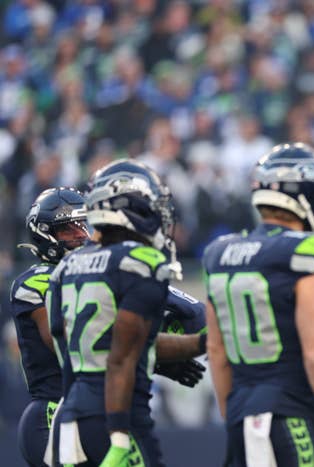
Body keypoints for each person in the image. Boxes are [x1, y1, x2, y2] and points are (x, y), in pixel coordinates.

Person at [204, 143, 314, 467]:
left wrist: (234, 417)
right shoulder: (305, 250)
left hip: (241, 411)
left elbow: (216, 351)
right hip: (292, 410)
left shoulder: (219, 252)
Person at [48, 159, 205, 466]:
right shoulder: (139, 262)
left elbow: (98, 341)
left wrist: (199, 345)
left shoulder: (66, 266)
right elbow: (120, 354)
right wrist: (119, 436)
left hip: (70, 413)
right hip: (117, 414)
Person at [9, 187, 89, 466]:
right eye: (68, 229)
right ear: (45, 233)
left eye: (82, 225)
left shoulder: (94, 276)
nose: (81, 234)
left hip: (91, 413)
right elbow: (63, 342)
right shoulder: (34, 282)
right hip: (53, 415)